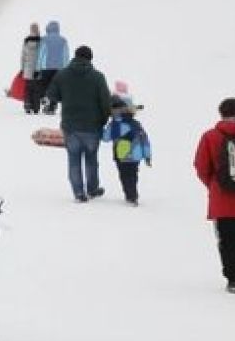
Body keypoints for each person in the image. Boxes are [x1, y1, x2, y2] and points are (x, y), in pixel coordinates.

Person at [192, 97, 235, 293]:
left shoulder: (210, 136)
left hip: (222, 201)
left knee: (226, 241)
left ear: (221, 113)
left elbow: (201, 166)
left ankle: (233, 280)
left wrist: (213, 185)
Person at [46, 44, 113, 202]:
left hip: (70, 127)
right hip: (92, 127)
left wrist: (66, 96)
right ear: (90, 59)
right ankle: (92, 188)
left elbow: (51, 94)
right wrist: (104, 120)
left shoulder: (62, 75)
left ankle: (78, 192)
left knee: (74, 160)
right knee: (91, 159)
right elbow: (105, 102)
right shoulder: (98, 77)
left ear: (75, 57)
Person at [104, 94, 152, 208]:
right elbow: (144, 139)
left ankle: (130, 195)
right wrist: (147, 156)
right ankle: (133, 194)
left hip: (122, 154)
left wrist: (101, 129)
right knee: (133, 174)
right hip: (136, 154)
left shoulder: (116, 124)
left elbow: (106, 137)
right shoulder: (135, 123)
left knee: (125, 175)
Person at [34, 21, 69, 113]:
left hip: (46, 67)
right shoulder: (63, 40)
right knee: (55, 87)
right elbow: (66, 55)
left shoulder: (44, 39)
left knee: (45, 85)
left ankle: (46, 102)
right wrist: (65, 67)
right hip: (59, 68)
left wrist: (38, 67)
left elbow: (41, 54)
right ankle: (53, 105)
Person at [18, 23, 43, 114]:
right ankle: (36, 107)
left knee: (28, 88)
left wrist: (22, 68)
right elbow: (43, 56)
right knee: (36, 89)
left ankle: (27, 104)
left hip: (28, 68)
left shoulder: (26, 41)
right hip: (38, 69)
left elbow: (23, 56)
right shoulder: (41, 41)